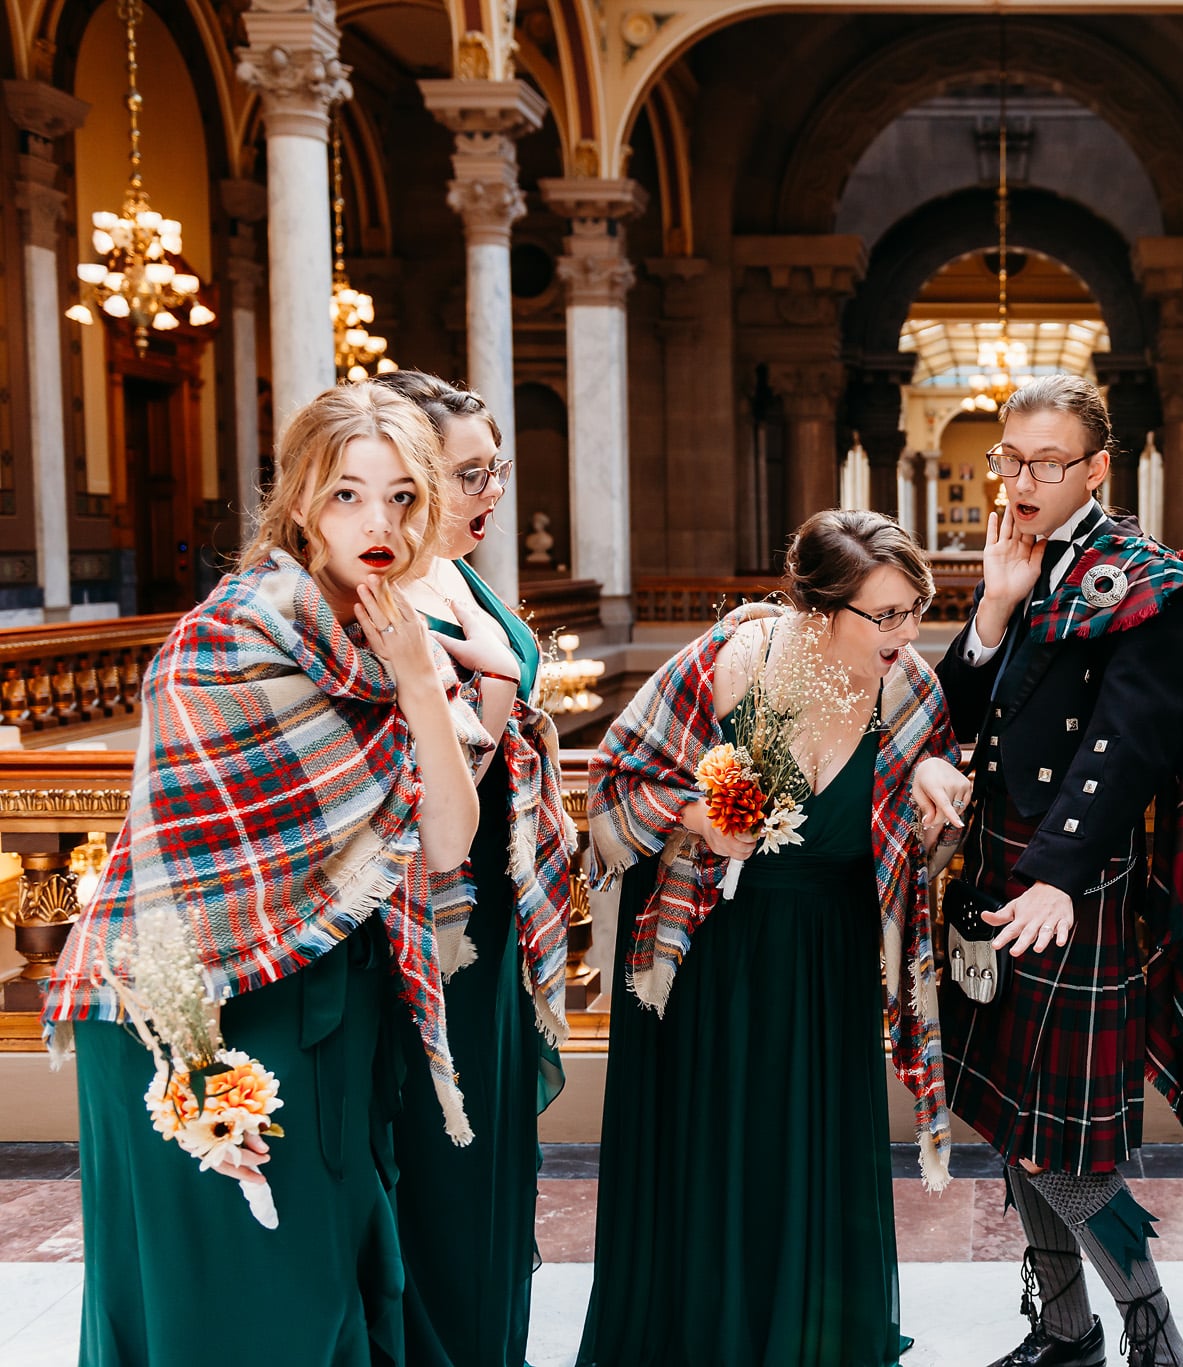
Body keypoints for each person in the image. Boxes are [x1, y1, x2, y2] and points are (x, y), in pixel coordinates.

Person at [43, 383, 486, 1364]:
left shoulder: (405, 650)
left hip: (333, 1001)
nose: (379, 522)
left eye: (404, 497)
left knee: (328, 1290)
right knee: (232, 1314)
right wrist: (196, 1074)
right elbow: (164, 886)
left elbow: (450, 839)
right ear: (298, 502)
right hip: (188, 1017)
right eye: (348, 495)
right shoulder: (217, 648)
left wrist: (418, 678)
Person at [576, 509, 960, 1367]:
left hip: (827, 958)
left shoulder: (914, 691)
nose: (908, 632)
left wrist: (936, 788)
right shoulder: (731, 660)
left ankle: (809, 1335)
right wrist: (694, 817)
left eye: (916, 608)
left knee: (805, 1160)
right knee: (710, 1156)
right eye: (887, 614)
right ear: (823, 611)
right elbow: (613, 786)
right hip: (710, 955)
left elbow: (917, 841)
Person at [935, 374, 1183, 1367]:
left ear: (1097, 467)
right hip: (993, 868)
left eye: (1045, 462)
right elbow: (957, 708)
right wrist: (991, 609)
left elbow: (1132, 738)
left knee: (1060, 1140)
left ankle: (1157, 1338)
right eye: (1008, 459)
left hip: (1071, 886)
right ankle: (1066, 1331)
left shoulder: (1143, 577)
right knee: (1006, 1114)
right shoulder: (1016, 559)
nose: (1019, 479)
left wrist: (1059, 870)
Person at [374, 371, 578, 1367]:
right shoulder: (386, 591)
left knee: (494, 1153)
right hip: (431, 909)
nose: (490, 491)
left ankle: (493, 1343)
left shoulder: (456, 570)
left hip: (492, 902)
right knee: (444, 1155)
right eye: (467, 474)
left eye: (495, 466)